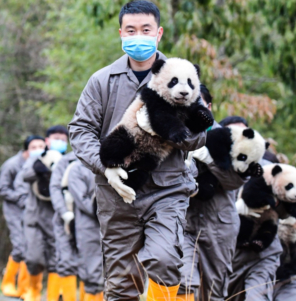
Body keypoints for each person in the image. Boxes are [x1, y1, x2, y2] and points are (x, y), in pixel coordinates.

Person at [68, 1, 206, 300]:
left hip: (167, 190)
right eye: (131, 30)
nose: (138, 36)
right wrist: (107, 167)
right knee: (120, 283)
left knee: (165, 259)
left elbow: (201, 137)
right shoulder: (101, 81)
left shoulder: (184, 77)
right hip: (116, 195)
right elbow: (80, 132)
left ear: (159, 33)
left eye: (145, 30)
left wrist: (172, 127)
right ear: (121, 33)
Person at [178, 85, 247, 301]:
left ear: (208, 106)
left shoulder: (230, 139)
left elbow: (235, 181)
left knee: (213, 293)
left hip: (220, 226)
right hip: (185, 224)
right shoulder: (175, 135)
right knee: (183, 282)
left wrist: (210, 159)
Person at [221, 117, 283, 301]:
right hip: (223, 255)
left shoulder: (268, 167)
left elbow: (289, 206)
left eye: (245, 133)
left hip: (261, 254)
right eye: (233, 134)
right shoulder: (208, 164)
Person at [21, 126, 70, 301]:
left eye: (64, 140)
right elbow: (25, 175)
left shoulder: (65, 160)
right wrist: (39, 168)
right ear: (47, 140)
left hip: (56, 219)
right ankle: (32, 292)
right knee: (34, 259)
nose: (60, 142)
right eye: (57, 138)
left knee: (57, 261)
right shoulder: (38, 158)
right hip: (34, 217)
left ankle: (54, 296)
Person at [0, 135, 46, 297]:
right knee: (19, 246)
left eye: (41, 146)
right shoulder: (11, 165)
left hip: (31, 210)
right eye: (33, 147)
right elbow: (2, 189)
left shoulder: (41, 162)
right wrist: (20, 199)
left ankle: (24, 288)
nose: (38, 150)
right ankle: (8, 283)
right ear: (26, 150)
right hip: (14, 209)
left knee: (29, 247)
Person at [68, 161, 104, 301]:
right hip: (87, 224)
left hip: (111, 224)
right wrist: (100, 210)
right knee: (91, 270)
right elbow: (81, 198)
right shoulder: (77, 169)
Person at [49, 145, 80, 301]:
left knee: (93, 266)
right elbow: (54, 188)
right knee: (66, 261)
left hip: (92, 221)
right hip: (65, 220)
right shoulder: (65, 161)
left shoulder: (101, 158)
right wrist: (64, 212)